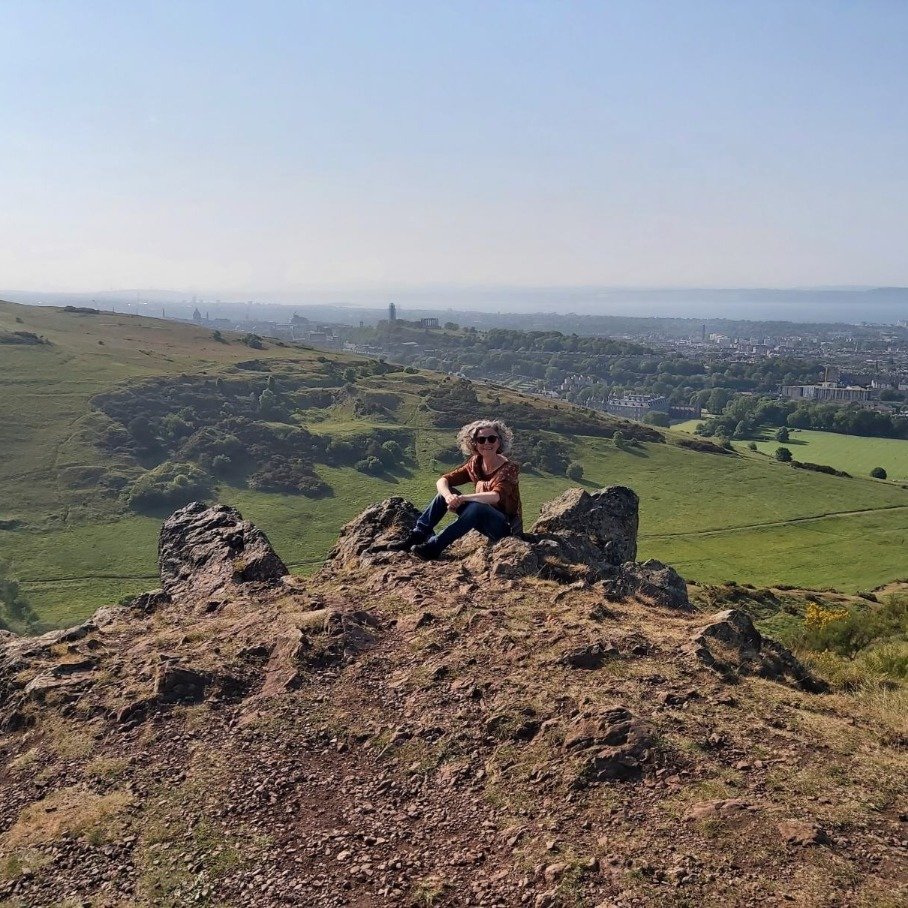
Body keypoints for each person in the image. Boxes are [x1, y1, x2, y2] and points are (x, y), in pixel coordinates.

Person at [387, 419, 523, 560]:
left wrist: (462, 498)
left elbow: (496, 496)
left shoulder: (508, 469)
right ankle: (417, 536)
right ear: (474, 444)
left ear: (499, 442)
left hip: (505, 527)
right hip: (480, 518)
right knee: (444, 495)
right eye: (481, 440)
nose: (487, 443)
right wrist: (448, 497)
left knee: (477, 507)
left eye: (492, 438)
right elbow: (443, 480)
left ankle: (434, 547)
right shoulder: (475, 463)